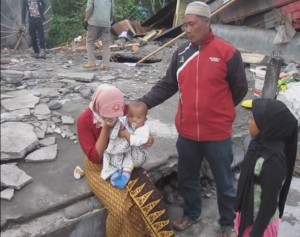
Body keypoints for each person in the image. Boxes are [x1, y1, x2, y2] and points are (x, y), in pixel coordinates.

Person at [138, 1, 248, 236]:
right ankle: (191, 213)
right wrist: (144, 102)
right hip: (187, 133)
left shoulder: (227, 53)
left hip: (217, 134)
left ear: (207, 23)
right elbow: (168, 85)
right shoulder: (181, 53)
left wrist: (220, 111)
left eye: (191, 24)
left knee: (225, 181)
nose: (186, 30)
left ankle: (228, 222)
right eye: (184, 25)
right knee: (188, 177)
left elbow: (239, 89)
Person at [77, 84, 174, 237]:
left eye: (117, 114)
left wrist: (147, 139)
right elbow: (95, 157)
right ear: (98, 106)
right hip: (99, 167)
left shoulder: (122, 108)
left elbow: (138, 125)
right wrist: (105, 128)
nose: (115, 118)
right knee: (121, 208)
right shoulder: (84, 121)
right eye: (108, 116)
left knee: (145, 198)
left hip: (123, 156)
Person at [234, 98, 298, 237]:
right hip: (248, 212)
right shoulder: (256, 144)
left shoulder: (273, 162)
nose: (249, 122)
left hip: (260, 225)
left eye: (253, 119)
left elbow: (268, 204)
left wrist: (256, 233)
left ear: (267, 125)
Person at [101, 100, 150, 190]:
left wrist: (127, 136)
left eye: (138, 117)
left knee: (128, 163)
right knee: (116, 155)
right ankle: (114, 172)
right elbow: (120, 121)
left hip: (137, 153)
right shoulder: (126, 120)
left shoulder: (144, 129)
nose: (134, 119)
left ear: (145, 119)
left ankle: (124, 178)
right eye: (131, 116)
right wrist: (117, 123)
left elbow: (138, 141)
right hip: (125, 149)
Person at [83, 0, 113, 70]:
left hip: (94, 22)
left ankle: (91, 62)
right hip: (106, 23)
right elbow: (112, 10)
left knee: (90, 42)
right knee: (106, 44)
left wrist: (85, 20)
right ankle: (106, 64)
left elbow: (89, 9)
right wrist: (110, 20)